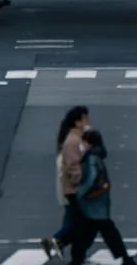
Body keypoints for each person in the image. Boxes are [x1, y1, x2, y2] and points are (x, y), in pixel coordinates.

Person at [68, 131, 136, 265]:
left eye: (83, 142)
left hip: (93, 204)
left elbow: (91, 178)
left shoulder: (91, 158)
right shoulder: (96, 155)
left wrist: (80, 193)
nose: (81, 145)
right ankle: (125, 259)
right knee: (97, 233)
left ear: (88, 143)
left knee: (98, 233)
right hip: (98, 204)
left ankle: (77, 259)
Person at [40, 107, 89, 258]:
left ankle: (61, 244)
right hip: (74, 188)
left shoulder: (68, 139)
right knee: (80, 220)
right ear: (77, 122)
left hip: (67, 187)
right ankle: (57, 240)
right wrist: (81, 181)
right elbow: (74, 166)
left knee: (71, 217)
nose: (88, 122)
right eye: (85, 119)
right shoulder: (74, 141)